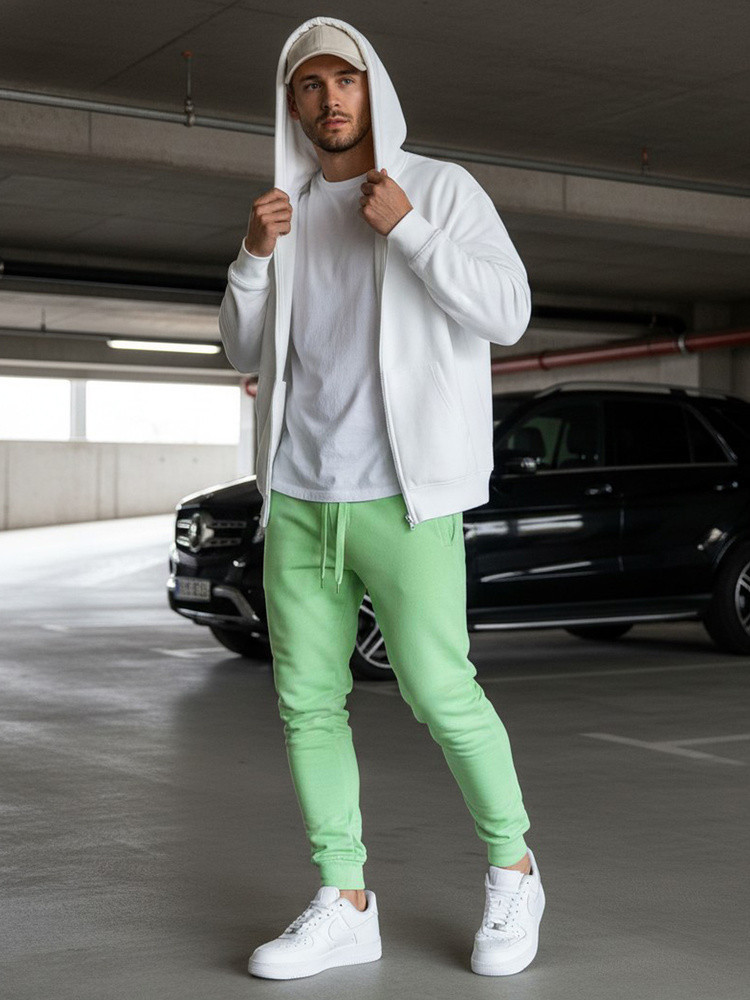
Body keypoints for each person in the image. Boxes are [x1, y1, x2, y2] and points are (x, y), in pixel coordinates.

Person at [219, 15, 545, 981]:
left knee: (441, 691)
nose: (330, 100)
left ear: (372, 88)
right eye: (310, 86)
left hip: (407, 497)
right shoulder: (283, 211)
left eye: (345, 80)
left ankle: (516, 870)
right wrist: (251, 257)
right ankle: (345, 900)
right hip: (299, 493)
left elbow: (508, 312)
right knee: (308, 706)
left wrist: (410, 229)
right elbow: (243, 350)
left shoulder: (438, 189)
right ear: (292, 105)